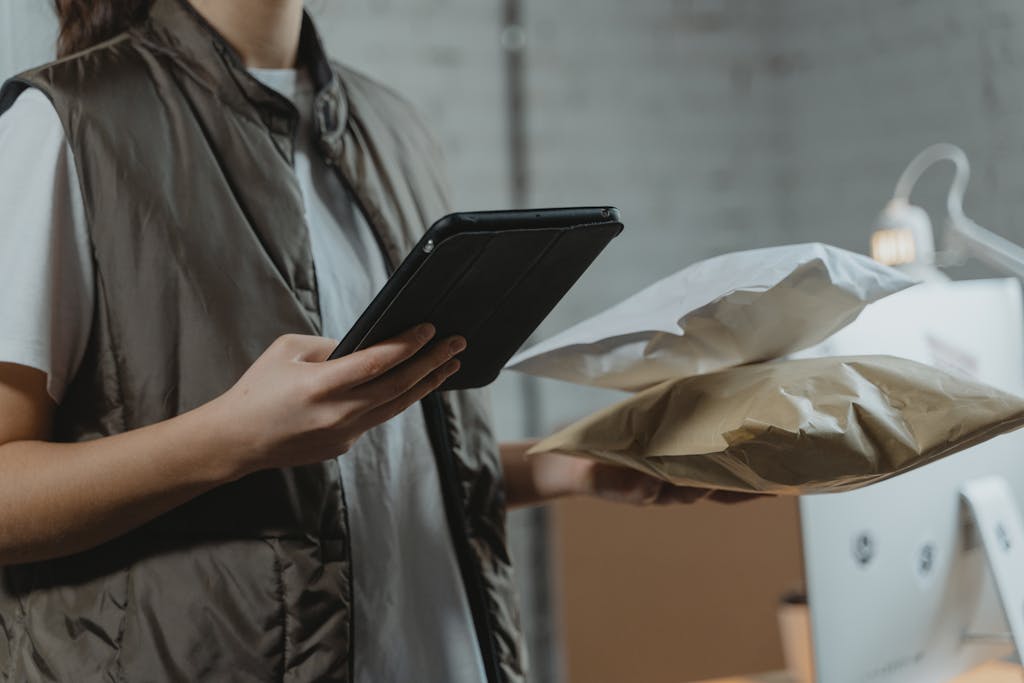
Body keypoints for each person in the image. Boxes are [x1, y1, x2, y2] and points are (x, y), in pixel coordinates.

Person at [0, 1, 747, 681]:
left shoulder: (392, 128)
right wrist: (231, 436)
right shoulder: (62, 124)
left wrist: (572, 466)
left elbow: (384, 465)